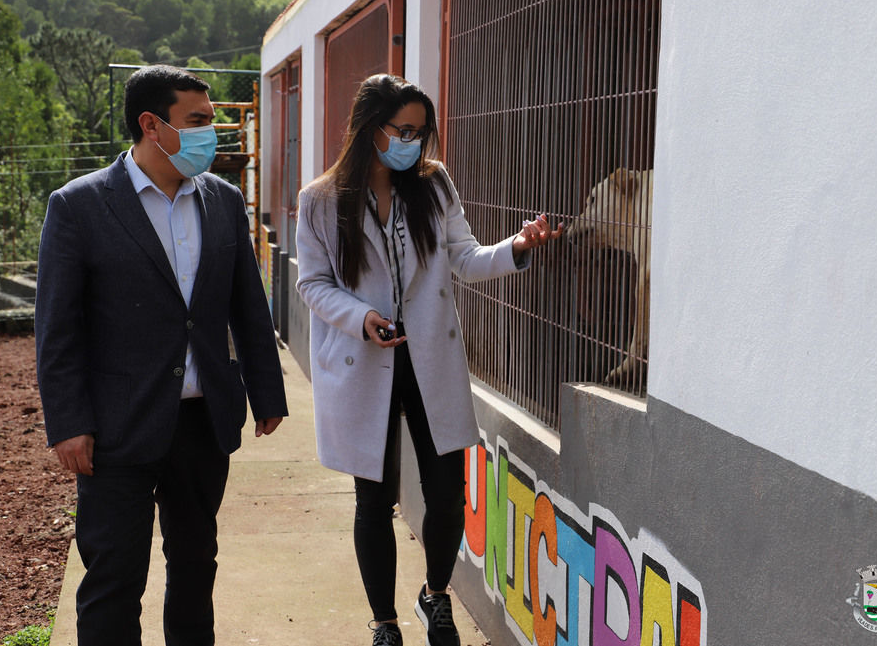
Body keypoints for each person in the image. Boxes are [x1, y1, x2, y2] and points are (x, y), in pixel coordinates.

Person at [295, 74, 561, 646]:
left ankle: (433, 594)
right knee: (376, 497)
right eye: (405, 130)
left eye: (421, 132)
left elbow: (464, 259)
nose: (414, 142)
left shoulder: (433, 186)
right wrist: (360, 317)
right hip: (365, 361)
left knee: (446, 494)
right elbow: (313, 283)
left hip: (428, 361)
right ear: (371, 128)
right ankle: (384, 623)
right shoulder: (320, 199)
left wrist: (517, 247)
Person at [35, 64, 288, 646]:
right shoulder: (79, 206)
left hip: (203, 420)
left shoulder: (223, 202)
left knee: (196, 568)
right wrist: (68, 424)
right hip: (115, 429)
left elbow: (248, 305)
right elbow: (58, 329)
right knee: (114, 579)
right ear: (152, 125)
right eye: (197, 121)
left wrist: (267, 394)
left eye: (213, 120)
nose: (212, 133)